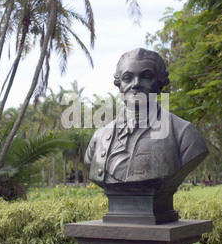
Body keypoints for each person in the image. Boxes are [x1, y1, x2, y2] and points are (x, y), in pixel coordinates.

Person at [85, 48, 208, 193]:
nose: (136, 84)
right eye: (128, 78)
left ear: (160, 83)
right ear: (120, 85)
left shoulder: (184, 134)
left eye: (146, 77)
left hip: (158, 209)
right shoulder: (99, 137)